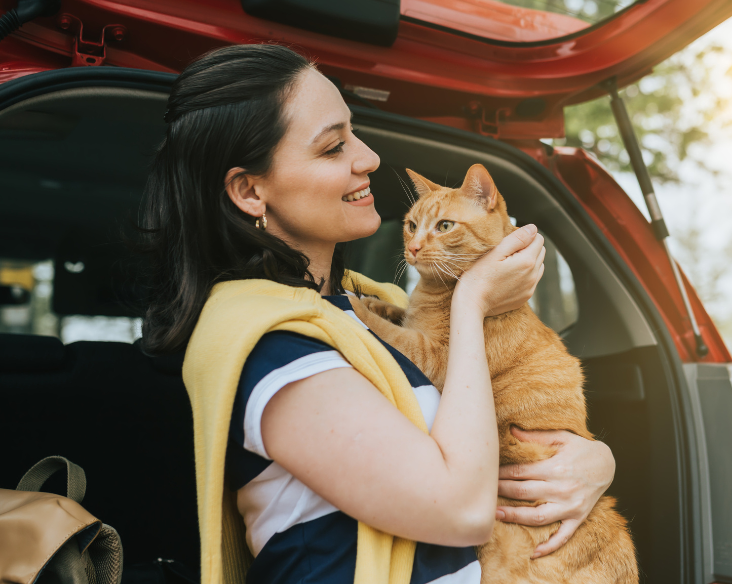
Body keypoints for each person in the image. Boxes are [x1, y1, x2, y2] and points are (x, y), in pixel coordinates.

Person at [139, 44, 616, 584]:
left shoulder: (358, 307)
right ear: (251, 191)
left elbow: (487, 429)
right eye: (333, 147)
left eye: (355, 133)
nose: (367, 158)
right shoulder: (271, 347)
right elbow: (461, 510)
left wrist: (595, 461)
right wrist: (472, 300)